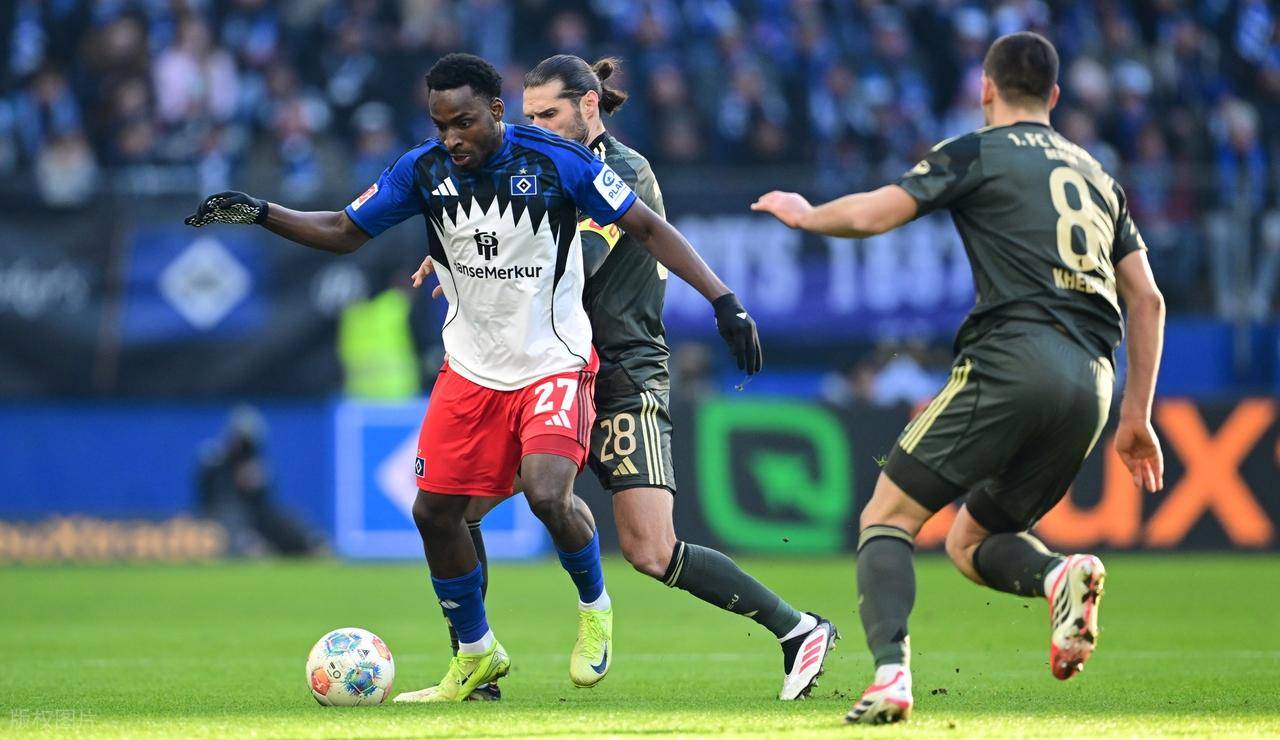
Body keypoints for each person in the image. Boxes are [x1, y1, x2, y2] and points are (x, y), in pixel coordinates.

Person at [184, 53, 763, 702]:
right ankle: (476, 654)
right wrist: (260, 211)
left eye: (462, 123)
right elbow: (344, 230)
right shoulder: (422, 170)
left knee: (547, 491)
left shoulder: (558, 161)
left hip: (553, 360)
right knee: (435, 513)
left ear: (495, 110)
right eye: (440, 125)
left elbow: (648, 228)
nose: (451, 138)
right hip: (471, 371)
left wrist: (723, 300)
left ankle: (594, 607)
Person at [753, 31, 1165, 724]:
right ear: (1054, 96)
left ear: (986, 88)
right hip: (1093, 383)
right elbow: (1147, 300)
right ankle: (1057, 574)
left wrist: (805, 214)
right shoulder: (1100, 177)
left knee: (887, 517)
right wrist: (1136, 416)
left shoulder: (977, 151)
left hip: (1013, 360)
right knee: (968, 541)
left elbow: (876, 214)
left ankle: (891, 676)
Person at [411, 55, 838, 702]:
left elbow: (571, 253)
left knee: (650, 549)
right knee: (454, 509)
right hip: (543, 374)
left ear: (589, 106)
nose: (537, 129)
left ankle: (798, 629)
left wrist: (469, 254)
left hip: (622, 375)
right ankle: (475, 668)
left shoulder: (621, 171)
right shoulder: (533, 170)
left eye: (550, 115)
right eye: (530, 118)